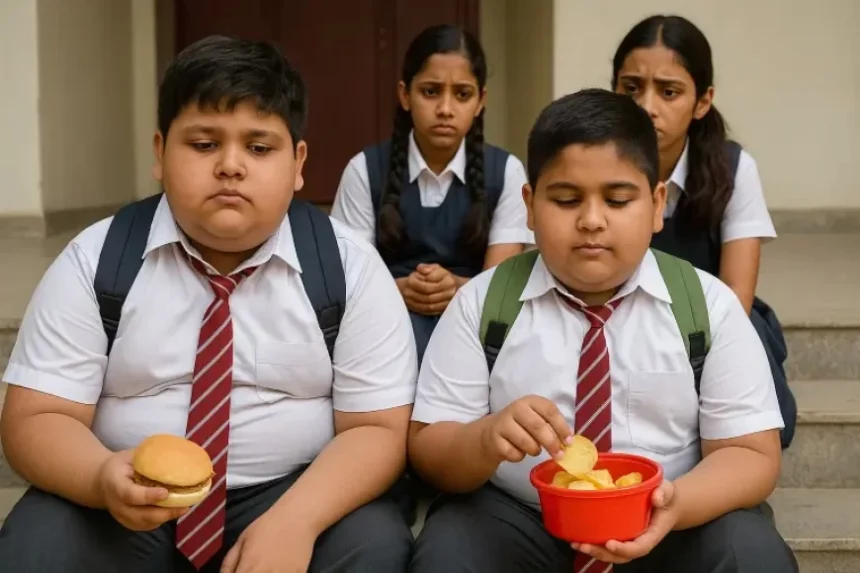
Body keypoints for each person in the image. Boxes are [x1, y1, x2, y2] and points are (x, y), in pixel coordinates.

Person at [0, 36, 416, 573]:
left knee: (375, 546)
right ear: (159, 153)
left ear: (298, 163)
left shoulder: (349, 269)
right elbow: (36, 417)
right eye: (203, 144)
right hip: (126, 494)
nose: (231, 166)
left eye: (260, 147)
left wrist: (297, 522)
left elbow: (377, 429)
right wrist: (101, 480)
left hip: (295, 493)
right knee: (36, 543)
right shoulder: (97, 259)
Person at [406, 88, 798, 573]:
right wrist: (485, 438)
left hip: (673, 517)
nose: (592, 221)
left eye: (617, 199)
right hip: (523, 517)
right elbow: (430, 445)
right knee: (450, 553)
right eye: (567, 199)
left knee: (752, 555)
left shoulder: (708, 305)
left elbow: (750, 453)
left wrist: (673, 506)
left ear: (657, 204)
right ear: (529, 206)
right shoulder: (483, 303)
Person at [611, 15, 796, 449]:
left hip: (711, 321)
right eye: (631, 87)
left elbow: (736, 293)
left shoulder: (731, 169)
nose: (646, 106)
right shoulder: (594, 160)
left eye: (669, 91)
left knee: (762, 413)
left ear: (702, 100)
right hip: (617, 310)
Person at [331, 24, 533, 363]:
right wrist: (400, 290)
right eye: (430, 91)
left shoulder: (508, 171)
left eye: (462, 94)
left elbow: (501, 287)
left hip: (475, 328)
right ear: (404, 95)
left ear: (481, 101)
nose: (445, 109)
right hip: (382, 326)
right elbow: (348, 279)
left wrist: (454, 286)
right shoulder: (364, 169)